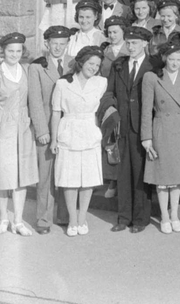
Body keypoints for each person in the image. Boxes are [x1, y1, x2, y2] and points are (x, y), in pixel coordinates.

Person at [105, 24, 159, 233]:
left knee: (140, 175)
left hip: (143, 128)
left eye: (135, 43)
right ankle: (123, 217)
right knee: (123, 173)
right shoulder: (119, 65)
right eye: (128, 43)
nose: (131, 46)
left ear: (145, 43)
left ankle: (140, 219)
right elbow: (109, 92)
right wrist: (112, 112)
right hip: (122, 126)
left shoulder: (153, 65)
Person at [50, 45, 107, 235]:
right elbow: (56, 112)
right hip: (69, 131)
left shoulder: (101, 83)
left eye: (97, 65)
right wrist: (54, 140)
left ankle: (82, 218)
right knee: (70, 178)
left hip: (90, 131)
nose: (94, 67)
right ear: (81, 62)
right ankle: (72, 220)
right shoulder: (63, 84)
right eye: (91, 63)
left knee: (88, 179)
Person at [140, 41, 180, 234]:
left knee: (176, 176)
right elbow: (146, 110)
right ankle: (163, 216)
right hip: (161, 128)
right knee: (162, 176)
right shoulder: (152, 77)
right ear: (164, 58)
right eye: (171, 59)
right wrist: (146, 137)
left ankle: (174, 215)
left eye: (179, 59)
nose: (175, 63)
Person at [29, 27, 71, 234]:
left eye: (62, 43)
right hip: (46, 127)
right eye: (54, 43)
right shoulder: (37, 67)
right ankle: (43, 219)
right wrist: (41, 130)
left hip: (69, 128)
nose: (58, 47)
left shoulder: (73, 63)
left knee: (66, 172)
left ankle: (64, 215)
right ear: (47, 44)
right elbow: (35, 101)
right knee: (45, 175)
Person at [0, 32, 42, 235]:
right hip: (3, 130)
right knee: (3, 175)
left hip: (23, 130)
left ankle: (18, 221)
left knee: (21, 175)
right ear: (3, 51)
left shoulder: (26, 70)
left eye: (18, 51)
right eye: (10, 51)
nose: (14, 55)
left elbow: (32, 99)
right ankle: (3, 219)